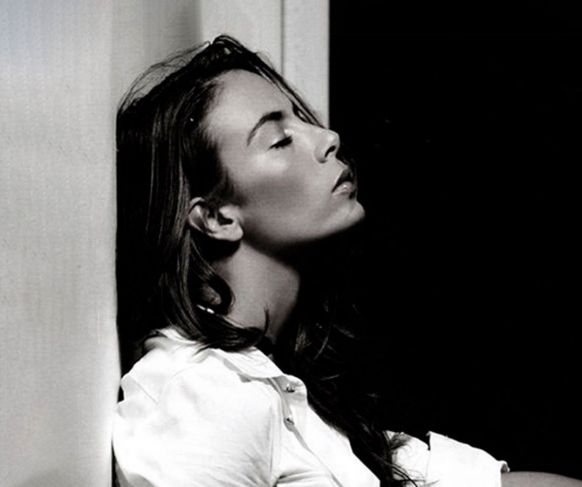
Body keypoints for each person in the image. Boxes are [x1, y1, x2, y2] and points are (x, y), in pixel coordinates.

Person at [113, 35, 581, 487]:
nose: (328, 138)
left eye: (302, 120)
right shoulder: (201, 396)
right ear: (216, 217)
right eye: (279, 139)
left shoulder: (289, 392)